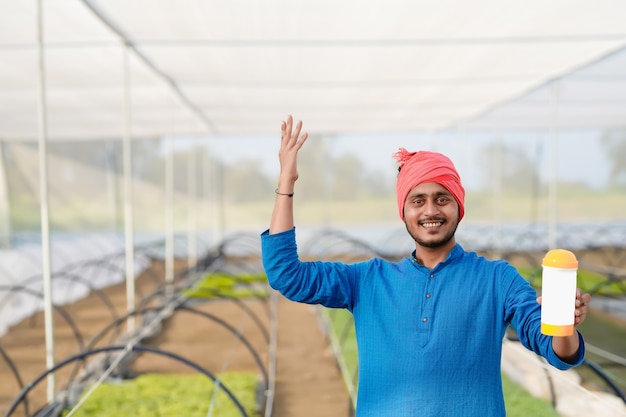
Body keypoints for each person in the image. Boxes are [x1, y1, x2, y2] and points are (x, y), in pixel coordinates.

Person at [261, 115, 591, 417]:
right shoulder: (367, 281)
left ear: (459, 207)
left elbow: (556, 352)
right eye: (417, 201)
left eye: (442, 198)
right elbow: (285, 274)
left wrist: (564, 322)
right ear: (403, 212)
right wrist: (286, 183)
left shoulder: (497, 279)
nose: (430, 210)